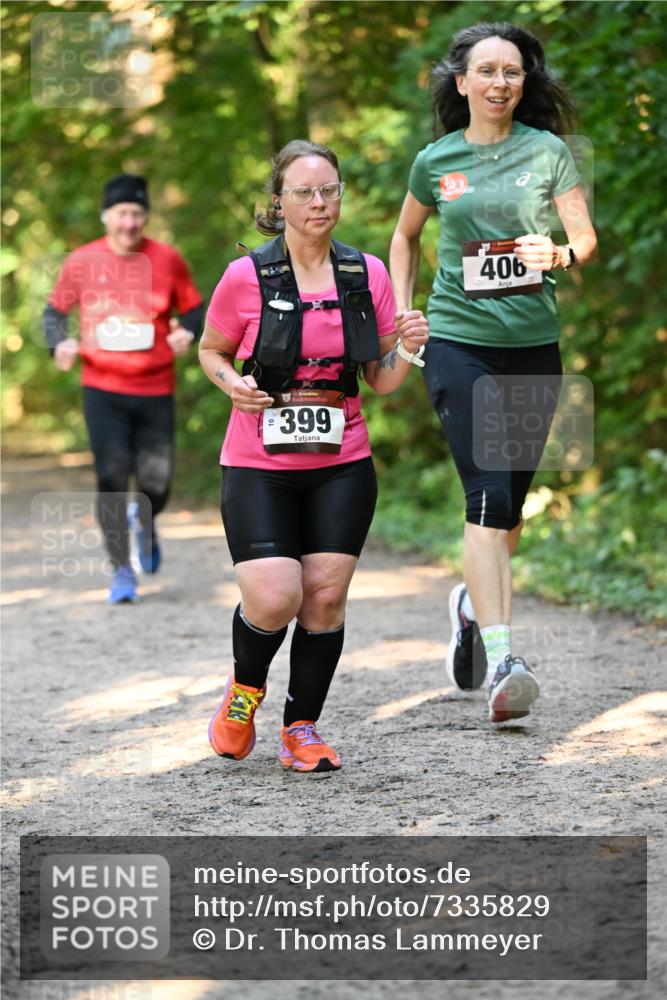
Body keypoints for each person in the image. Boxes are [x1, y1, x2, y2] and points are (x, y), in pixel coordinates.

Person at [199, 139, 428, 773]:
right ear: (279, 201)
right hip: (257, 461)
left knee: (325, 599)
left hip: (342, 458)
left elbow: (379, 380)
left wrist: (406, 346)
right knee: (276, 598)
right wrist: (234, 387)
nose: (319, 202)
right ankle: (245, 690)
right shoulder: (246, 275)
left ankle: (301, 728)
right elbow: (211, 351)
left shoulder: (366, 273)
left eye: (329, 189)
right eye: (304, 191)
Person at [390, 22, 597, 722]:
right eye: (486, 71)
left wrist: (558, 255)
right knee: (485, 496)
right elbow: (403, 235)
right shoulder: (434, 161)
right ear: (461, 81)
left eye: (511, 71)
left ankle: (467, 606)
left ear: (522, 81)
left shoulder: (547, 154)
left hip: (533, 345)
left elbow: (584, 239)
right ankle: (505, 657)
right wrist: (402, 308)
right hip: (457, 340)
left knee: (508, 509)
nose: (499, 83)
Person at [43, 174, 204, 604]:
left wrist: (186, 333)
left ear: (146, 217)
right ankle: (121, 571)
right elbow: (53, 313)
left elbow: (195, 311)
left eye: (137, 214)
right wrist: (58, 342)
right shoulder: (81, 261)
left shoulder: (167, 260)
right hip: (103, 388)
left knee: (158, 483)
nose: (130, 223)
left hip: (155, 388)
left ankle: (146, 523)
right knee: (111, 477)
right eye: (122, 214)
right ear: (106, 216)